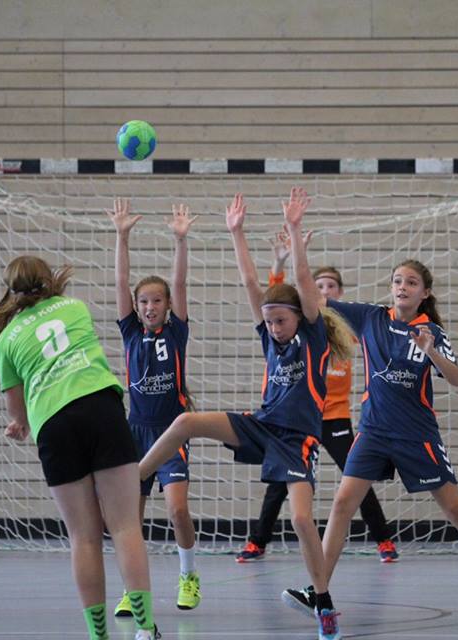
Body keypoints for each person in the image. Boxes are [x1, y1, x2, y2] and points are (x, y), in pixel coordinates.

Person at [136, 188, 357, 640]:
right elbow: (251, 282)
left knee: (300, 520)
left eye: (281, 321)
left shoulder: (312, 335)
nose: (273, 327)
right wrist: (236, 232)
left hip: (297, 439)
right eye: (269, 321)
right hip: (261, 425)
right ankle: (134, 477)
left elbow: (300, 279)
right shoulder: (268, 333)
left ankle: (324, 603)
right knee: (186, 422)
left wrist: (294, 228)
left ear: (299, 317)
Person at [282, 259, 458, 626]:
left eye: (411, 282)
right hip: (373, 432)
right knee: (342, 504)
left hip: (417, 435)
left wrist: (430, 350)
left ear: (424, 292)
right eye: (398, 280)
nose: (403, 287)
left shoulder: (431, 331)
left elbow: (456, 378)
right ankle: (317, 591)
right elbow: (312, 296)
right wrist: (295, 243)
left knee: (456, 510)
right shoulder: (370, 317)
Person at [0, 256, 158, 640]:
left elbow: (16, 411)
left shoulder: (6, 340)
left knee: (83, 538)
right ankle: (145, 629)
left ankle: (98, 636)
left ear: (10, 289)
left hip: (54, 426)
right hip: (99, 407)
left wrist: (20, 423)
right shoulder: (73, 307)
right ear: (48, 279)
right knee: (125, 526)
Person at [235, 234, 398, 564]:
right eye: (318, 286)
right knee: (279, 484)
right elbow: (273, 298)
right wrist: (280, 261)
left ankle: (383, 539)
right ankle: (257, 541)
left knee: (356, 476)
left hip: (334, 416)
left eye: (330, 287)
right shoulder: (291, 328)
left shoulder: (345, 326)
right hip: (294, 419)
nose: (324, 290)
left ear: (340, 293)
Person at [107, 198, 202, 615]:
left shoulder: (176, 332)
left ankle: (188, 577)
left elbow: (179, 283)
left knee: (177, 509)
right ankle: (133, 590)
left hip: (172, 431)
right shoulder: (130, 331)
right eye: (143, 301)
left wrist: (180, 241)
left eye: (156, 301)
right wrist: (121, 236)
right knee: (131, 518)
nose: (149, 307)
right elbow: (120, 281)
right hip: (136, 432)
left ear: (166, 306)